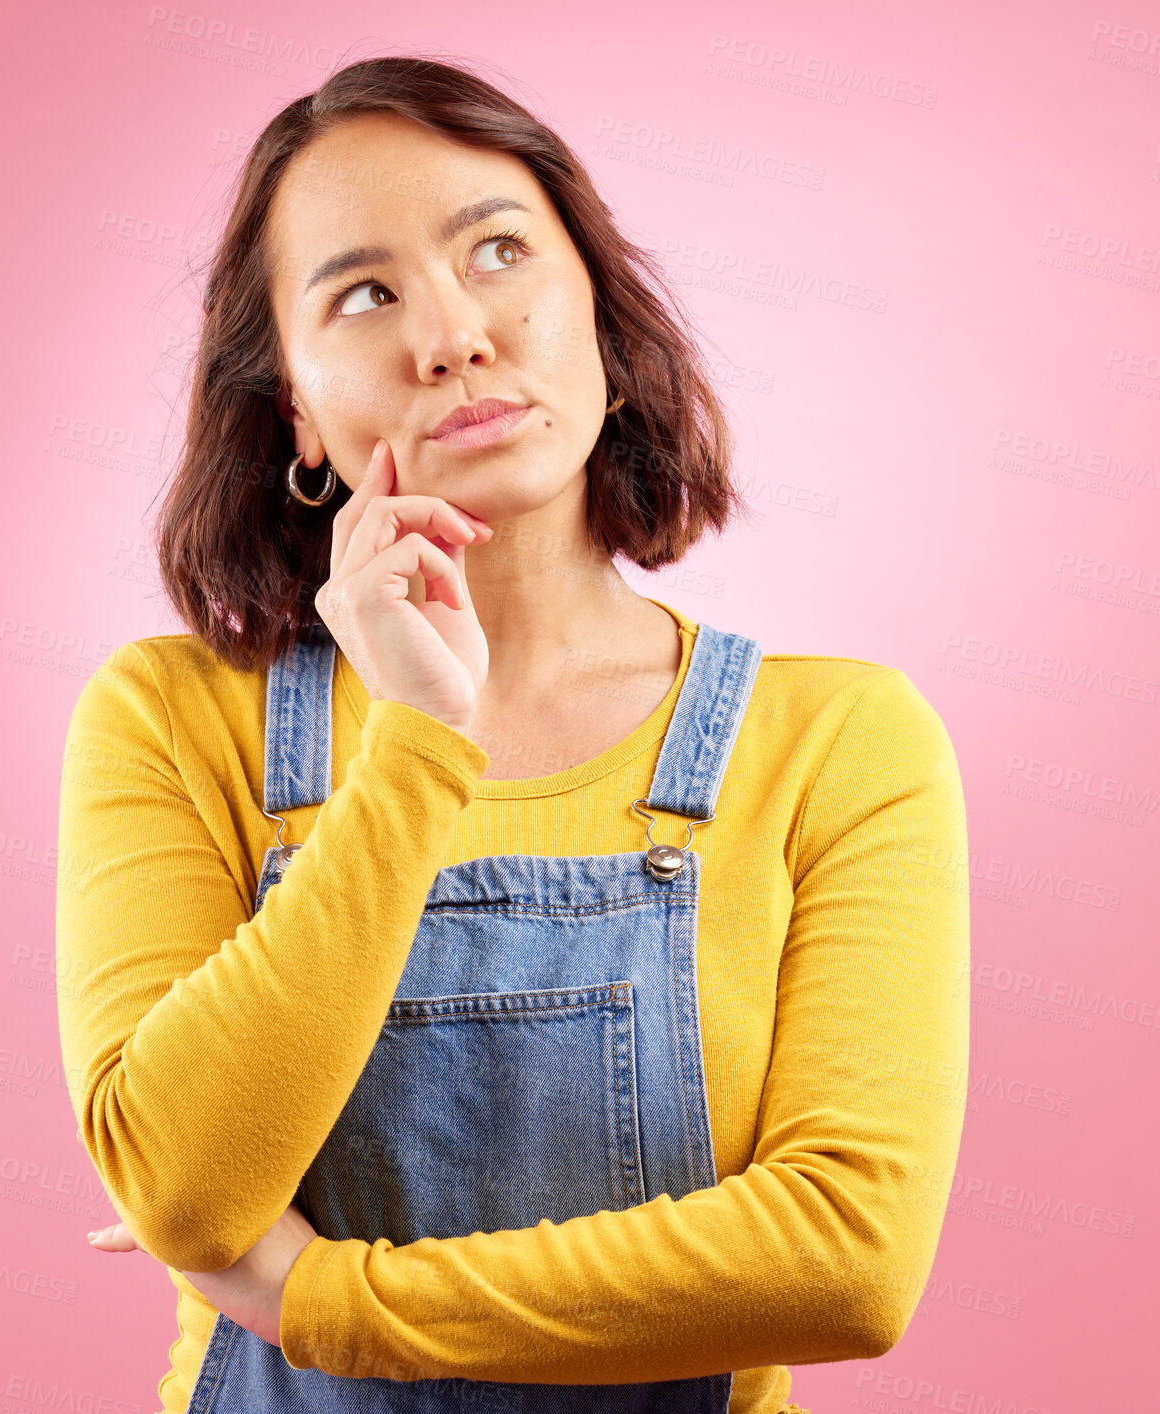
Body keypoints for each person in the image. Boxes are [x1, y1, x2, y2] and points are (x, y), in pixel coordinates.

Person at [55, 54, 968, 1414]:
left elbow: (842, 1263)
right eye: (362, 293)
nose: (452, 333)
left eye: (496, 252)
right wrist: (421, 735)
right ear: (294, 409)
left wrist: (329, 1302)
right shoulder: (172, 719)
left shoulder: (838, 741)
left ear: (598, 310)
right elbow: (185, 1187)